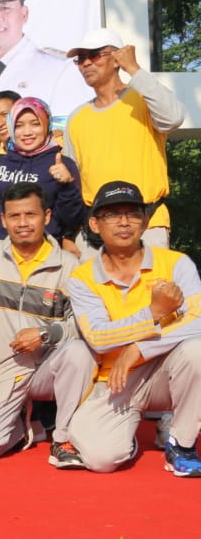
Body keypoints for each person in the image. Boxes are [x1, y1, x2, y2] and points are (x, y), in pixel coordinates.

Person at [66, 182, 201, 476]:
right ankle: (126, 434)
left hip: (166, 371)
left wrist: (138, 348)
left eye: (132, 213)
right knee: (101, 459)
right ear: (94, 224)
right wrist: (154, 312)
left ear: (146, 221)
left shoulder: (177, 263)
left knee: (197, 351)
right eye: (112, 214)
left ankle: (183, 443)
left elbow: (198, 321)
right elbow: (99, 338)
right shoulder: (82, 277)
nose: (124, 222)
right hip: (114, 380)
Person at [0, 183, 94, 465]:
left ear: (46, 216)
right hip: (1, 370)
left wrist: (46, 335)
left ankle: (63, 437)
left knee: (80, 353)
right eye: (14, 216)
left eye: (30, 215)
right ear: (3, 220)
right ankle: (24, 425)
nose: (22, 223)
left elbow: (84, 327)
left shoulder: (71, 267)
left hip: (48, 367)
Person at [66, 29, 185, 252]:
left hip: (146, 224)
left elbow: (174, 117)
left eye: (94, 55)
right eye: (80, 59)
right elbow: (72, 182)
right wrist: (70, 233)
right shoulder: (76, 118)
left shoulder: (142, 99)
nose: (86, 64)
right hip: (96, 232)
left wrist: (133, 68)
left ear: (117, 57)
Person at [0, 97, 84, 259]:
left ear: (47, 125)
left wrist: (67, 186)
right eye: (19, 125)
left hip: (38, 258)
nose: (27, 132)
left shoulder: (61, 162)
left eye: (35, 124)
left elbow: (71, 220)